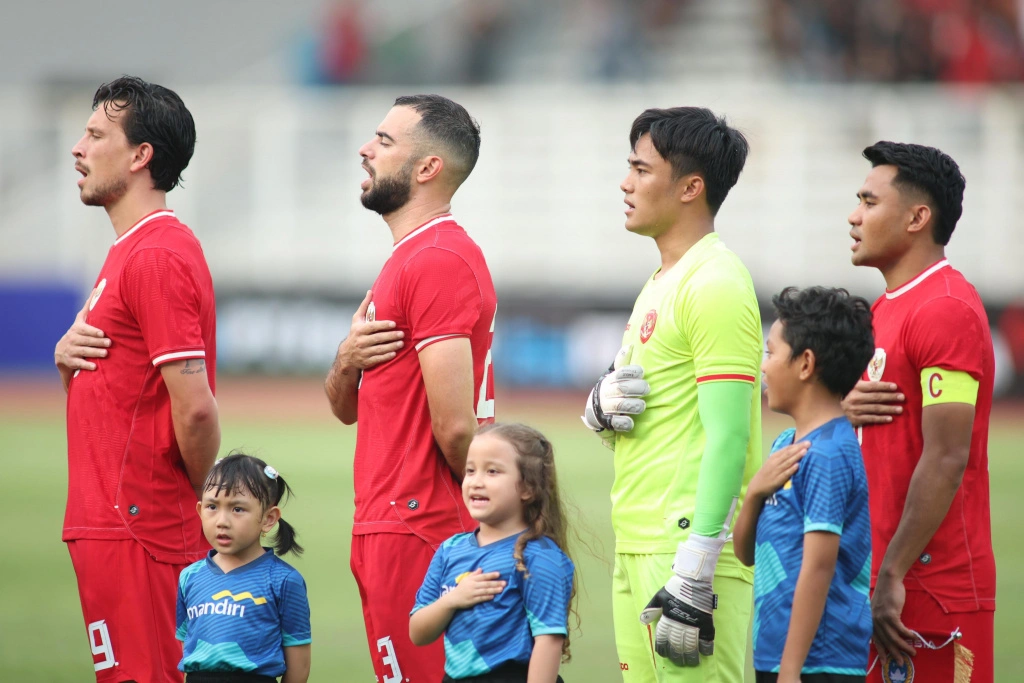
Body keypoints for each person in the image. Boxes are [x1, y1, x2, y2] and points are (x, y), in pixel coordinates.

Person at [581, 106, 787, 682]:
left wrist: (697, 563)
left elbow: (731, 435)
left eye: (641, 170)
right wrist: (601, 411)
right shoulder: (663, 278)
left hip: (689, 553)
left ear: (691, 187)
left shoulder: (716, 281)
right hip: (639, 539)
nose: (626, 183)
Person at [324, 94, 497, 681]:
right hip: (391, 521)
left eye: (385, 141)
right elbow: (344, 407)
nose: (365, 150)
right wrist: (346, 360)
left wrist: (483, 513)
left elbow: (454, 426)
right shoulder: (406, 260)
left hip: (420, 525)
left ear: (427, 169)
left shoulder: (438, 258)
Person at [54, 76, 219, 683]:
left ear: (140, 156)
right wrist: (67, 365)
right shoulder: (132, 250)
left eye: (97, 134)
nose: (78, 147)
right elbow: (124, 392)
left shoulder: (156, 254)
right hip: (114, 524)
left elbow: (195, 408)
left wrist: (206, 503)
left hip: (140, 526)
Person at [843, 142, 995, 683]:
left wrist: (892, 574)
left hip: (929, 591)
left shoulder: (944, 308)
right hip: (882, 578)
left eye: (869, 201)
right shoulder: (888, 307)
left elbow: (948, 456)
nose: (854, 216)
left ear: (917, 217)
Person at [733, 286, 874, 683]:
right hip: (776, 656)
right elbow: (745, 554)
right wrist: (756, 491)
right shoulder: (784, 445)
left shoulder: (828, 456)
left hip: (819, 663)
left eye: (770, 353)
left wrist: (791, 670)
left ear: (806, 363)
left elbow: (819, 566)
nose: (763, 367)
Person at [409, 423, 575, 683]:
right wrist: (453, 599)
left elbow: (549, 640)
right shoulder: (450, 550)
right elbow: (418, 633)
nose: (476, 482)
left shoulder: (537, 556)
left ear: (527, 488)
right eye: (470, 470)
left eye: (492, 471)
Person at [177, 453, 311, 683]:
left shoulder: (284, 580)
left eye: (237, 509)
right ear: (199, 511)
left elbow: (299, 663)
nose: (222, 521)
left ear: (269, 518)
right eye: (212, 506)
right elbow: (187, 646)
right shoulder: (189, 577)